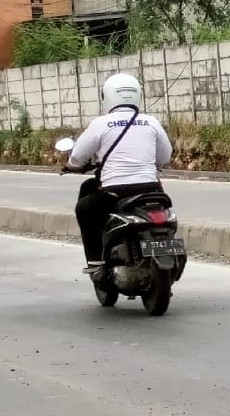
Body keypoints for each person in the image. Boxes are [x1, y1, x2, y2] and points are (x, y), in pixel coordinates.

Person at [67, 72, 173, 275]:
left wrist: (72, 164)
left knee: (84, 209)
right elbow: (165, 156)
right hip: (151, 189)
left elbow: (77, 157)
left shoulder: (101, 123)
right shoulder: (151, 122)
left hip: (114, 192)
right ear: (138, 95)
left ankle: (96, 262)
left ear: (106, 96)